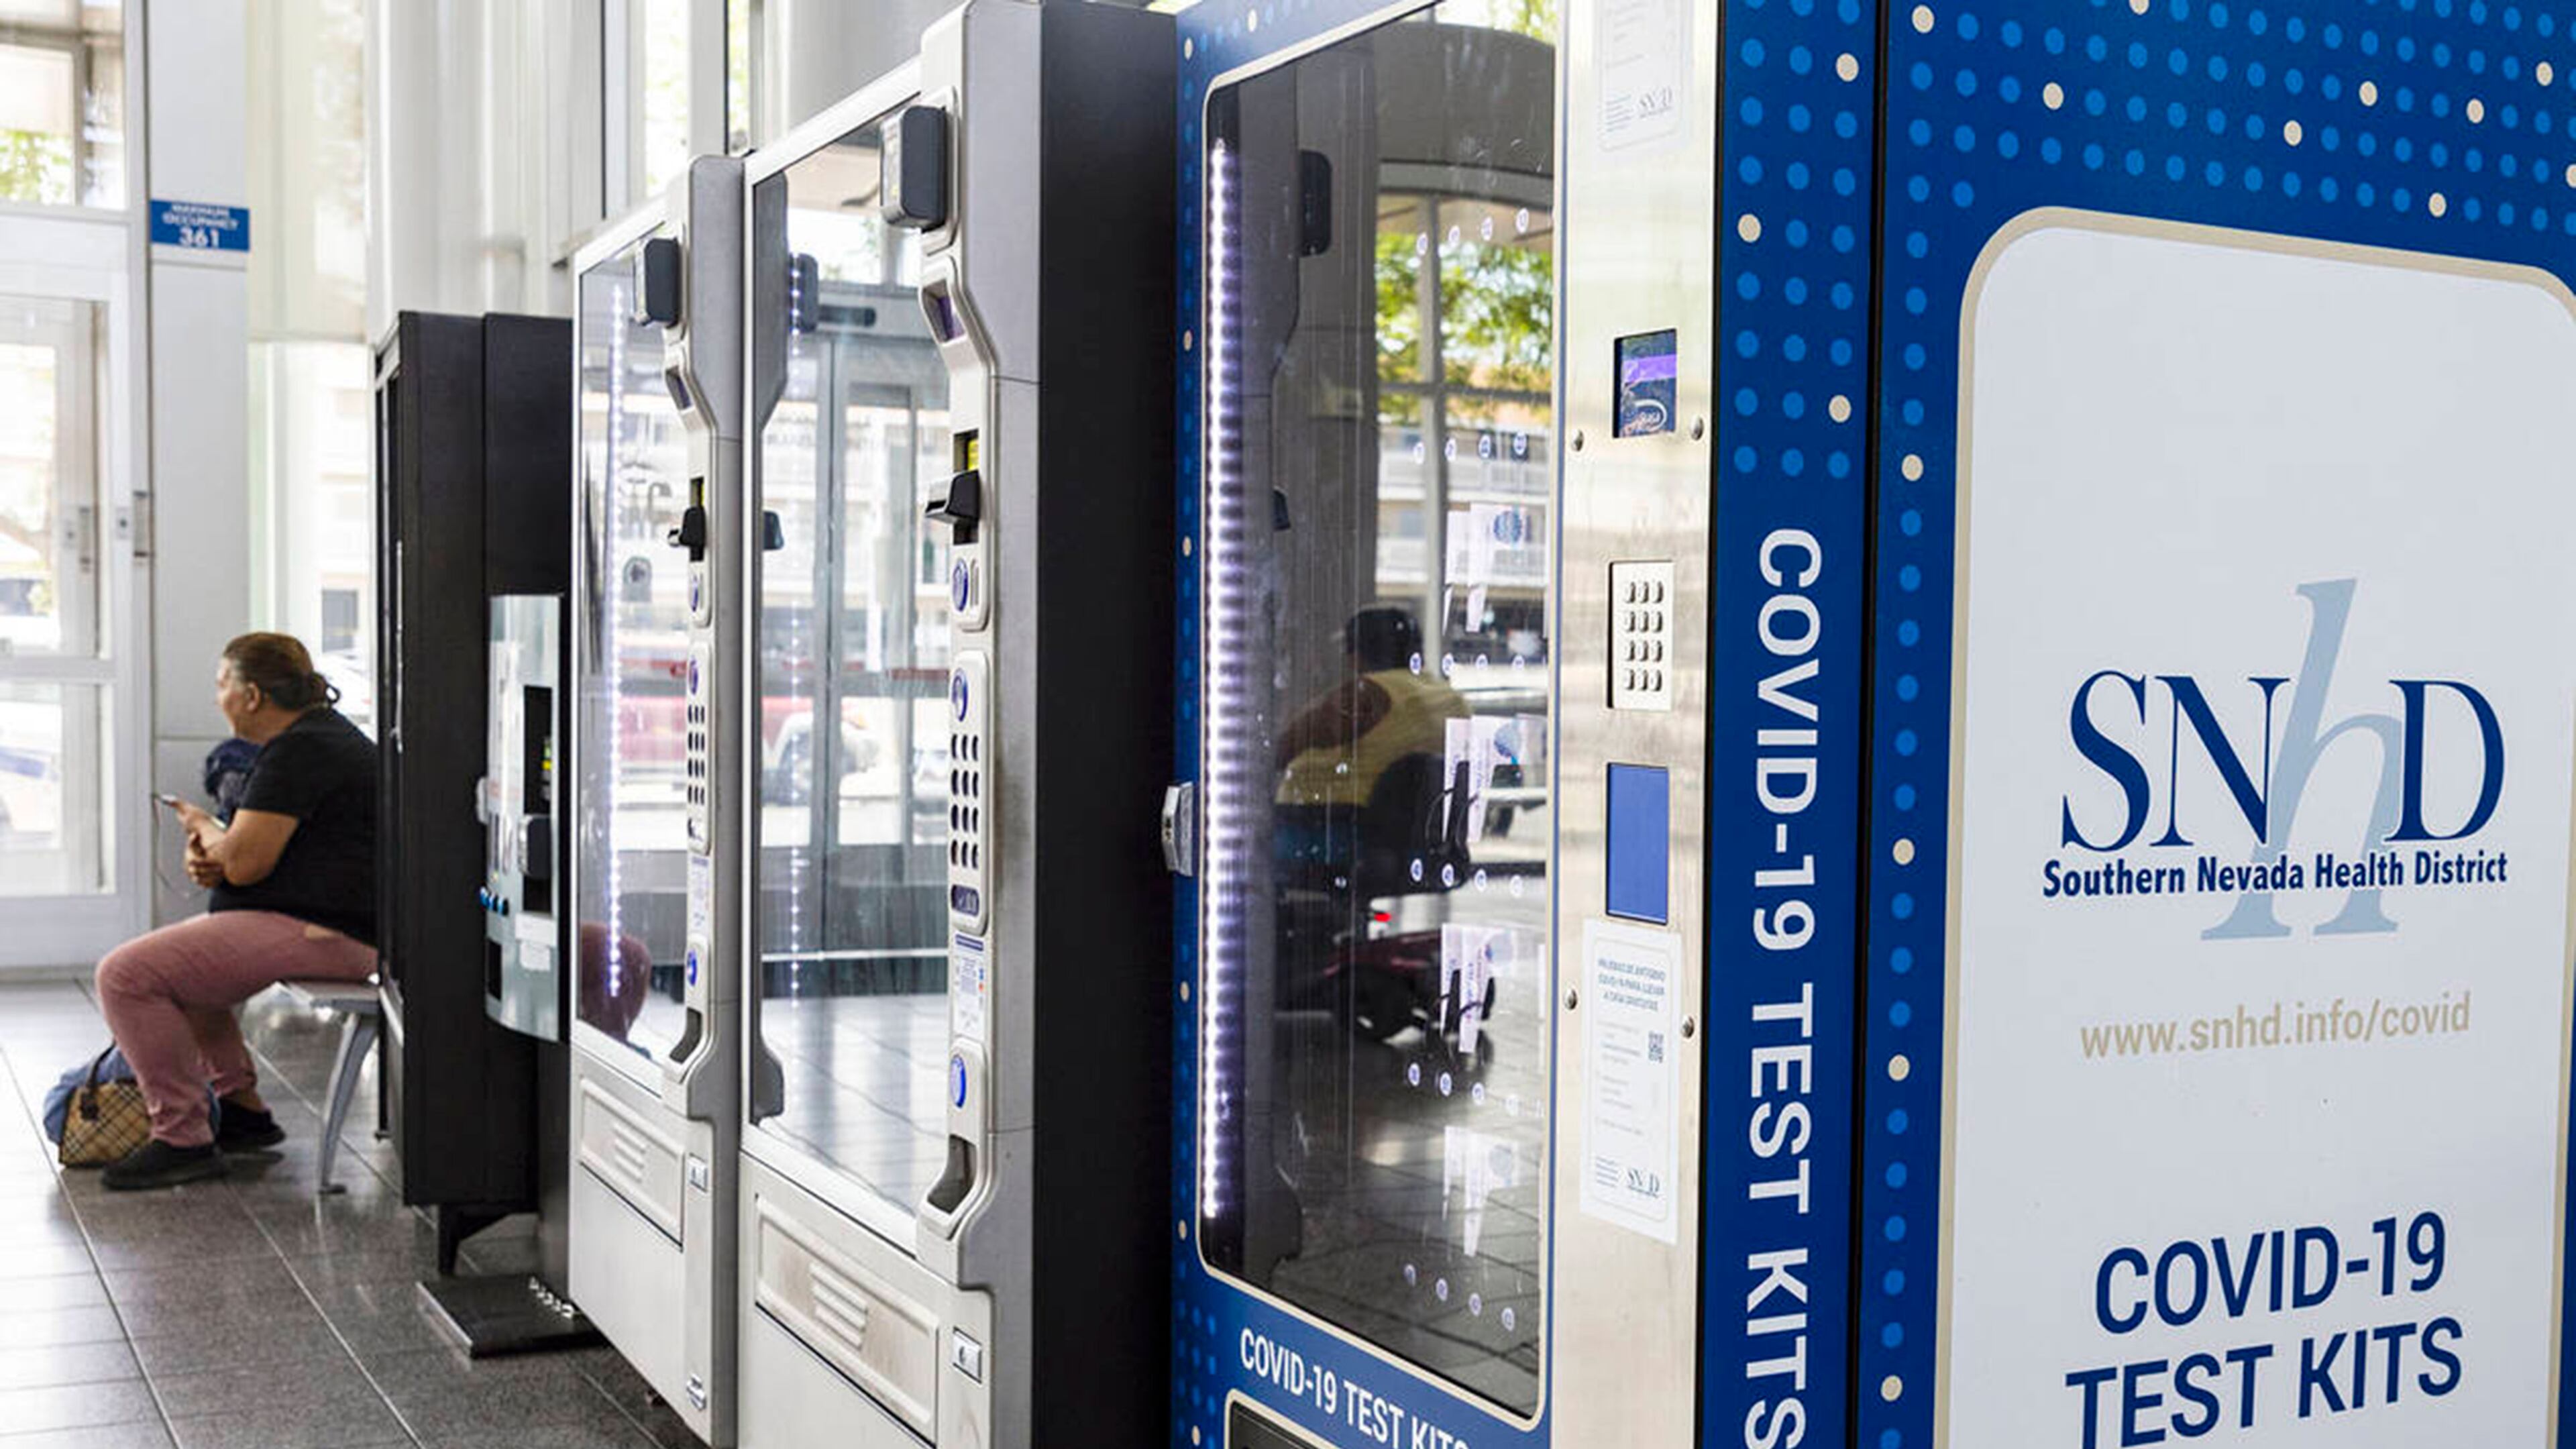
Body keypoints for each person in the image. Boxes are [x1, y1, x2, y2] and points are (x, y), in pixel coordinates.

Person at [94, 633, 377, 1190]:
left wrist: (205, 833)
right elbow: (252, 850)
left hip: (330, 932)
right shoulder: (310, 741)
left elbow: (245, 863)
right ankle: (241, 1109)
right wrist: (217, 855)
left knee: (125, 976)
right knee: (186, 975)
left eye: (222, 684)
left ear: (251, 695)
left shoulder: (302, 750)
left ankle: (181, 1138)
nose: (216, 696)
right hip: (311, 920)